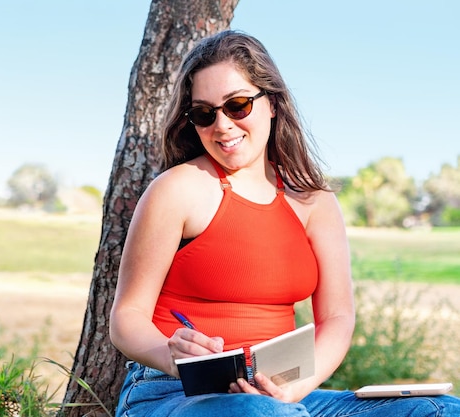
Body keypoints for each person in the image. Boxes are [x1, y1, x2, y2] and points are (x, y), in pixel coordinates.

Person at [109, 29, 460, 417]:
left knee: (441, 409)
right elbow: (127, 319)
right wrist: (172, 356)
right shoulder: (177, 190)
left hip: (284, 397)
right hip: (174, 392)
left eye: (238, 105)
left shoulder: (314, 201)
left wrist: (295, 391)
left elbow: (338, 318)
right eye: (204, 113)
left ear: (272, 103)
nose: (222, 125)